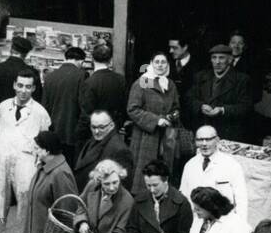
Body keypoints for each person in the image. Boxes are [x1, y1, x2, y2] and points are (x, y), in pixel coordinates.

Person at [0, 72, 52, 233]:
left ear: (34, 89)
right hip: (0, 166)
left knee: (25, 213)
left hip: (26, 168)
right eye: (20, 85)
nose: (23, 90)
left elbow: (45, 146)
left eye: (28, 87)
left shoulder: (40, 113)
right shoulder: (2, 107)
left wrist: (37, 167)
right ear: (14, 85)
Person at [126, 52, 180, 199]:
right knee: (144, 176)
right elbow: (132, 109)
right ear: (151, 64)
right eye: (157, 62)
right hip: (146, 137)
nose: (160, 65)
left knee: (162, 172)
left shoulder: (170, 84)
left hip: (166, 137)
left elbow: (176, 107)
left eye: (163, 62)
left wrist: (172, 116)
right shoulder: (143, 82)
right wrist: (156, 120)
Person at [125, 159, 192, 233]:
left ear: (166, 181)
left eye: (155, 185)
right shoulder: (140, 200)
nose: (151, 190)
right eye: (148, 185)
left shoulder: (182, 203)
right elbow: (131, 228)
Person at [20, 130, 79, 233]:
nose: (33, 151)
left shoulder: (61, 174)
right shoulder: (44, 168)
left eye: (37, 148)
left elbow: (67, 211)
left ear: (47, 150)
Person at [178, 126, 249, 221]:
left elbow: (241, 200)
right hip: (196, 222)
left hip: (223, 222)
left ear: (217, 140)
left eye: (208, 139)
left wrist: (240, 225)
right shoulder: (190, 165)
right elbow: (184, 196)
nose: (204, 144)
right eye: (200, 140)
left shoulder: (231, 165)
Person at [71, 159, 135, 233]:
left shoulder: (127, 200)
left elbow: (120, 229)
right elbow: (81, 206)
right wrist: (82, 222)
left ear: (120, 177)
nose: (112, 187)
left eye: (115, 182)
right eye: (106, 184)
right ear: (99, 181)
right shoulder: (92, 186)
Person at [188, 43, 253, 142]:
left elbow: (246, 107)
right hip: (203, 131)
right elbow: (189, 99)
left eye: (221, 58)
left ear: (230, 60)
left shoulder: (241, 80)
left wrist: (222, 110)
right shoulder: (200, 76)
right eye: (214, 58)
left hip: (228, 133)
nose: (217, 62)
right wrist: (201, 106)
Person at [41, 46, 87, 164]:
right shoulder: (82, 76)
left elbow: (44, 106)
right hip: (71, 133)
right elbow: (84, 106)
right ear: (81, 61)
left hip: (51, 131)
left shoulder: (50, 77)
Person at [76, 40, 126, 137]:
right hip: (113, 129)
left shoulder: (89, 82)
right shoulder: (120, 80)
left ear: (92, 60)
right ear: (110, 60)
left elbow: (86, 113)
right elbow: (123, 106)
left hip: (95, 132)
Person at [74, 109, 135, 185]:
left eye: (101, 127)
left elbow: (123, 184)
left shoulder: (120, 150)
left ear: (112, 125)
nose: (96, 131)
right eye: (93, 127)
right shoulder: (95, 139)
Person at [0, 34, 42, 112]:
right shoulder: (33, 73)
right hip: (21, 117)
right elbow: (37, 99)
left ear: (11, 50)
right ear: (26, 54)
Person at [168, 34, 198, 123]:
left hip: (190, 118)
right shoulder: (165, 63)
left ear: (185, 47)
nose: (170, 51)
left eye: (174, 48)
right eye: (170, 47)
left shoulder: (198, 66)